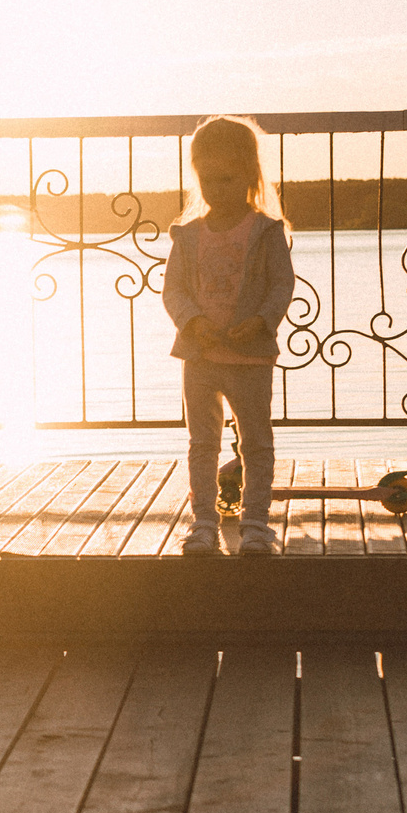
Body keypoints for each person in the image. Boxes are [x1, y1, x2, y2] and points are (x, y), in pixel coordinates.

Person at [162, 115, 295, 556]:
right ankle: (203, 522)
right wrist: (193, 321)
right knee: (203, 444)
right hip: (199, 356)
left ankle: (256, 523)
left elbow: (282, 285)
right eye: (208, 179)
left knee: (255, 441)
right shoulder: (187, 235)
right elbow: (174, 290)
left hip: (249, 354)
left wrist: (261, 320)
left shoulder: (266, 231)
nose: (217, 189)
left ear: (250, 175)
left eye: (227, 178)